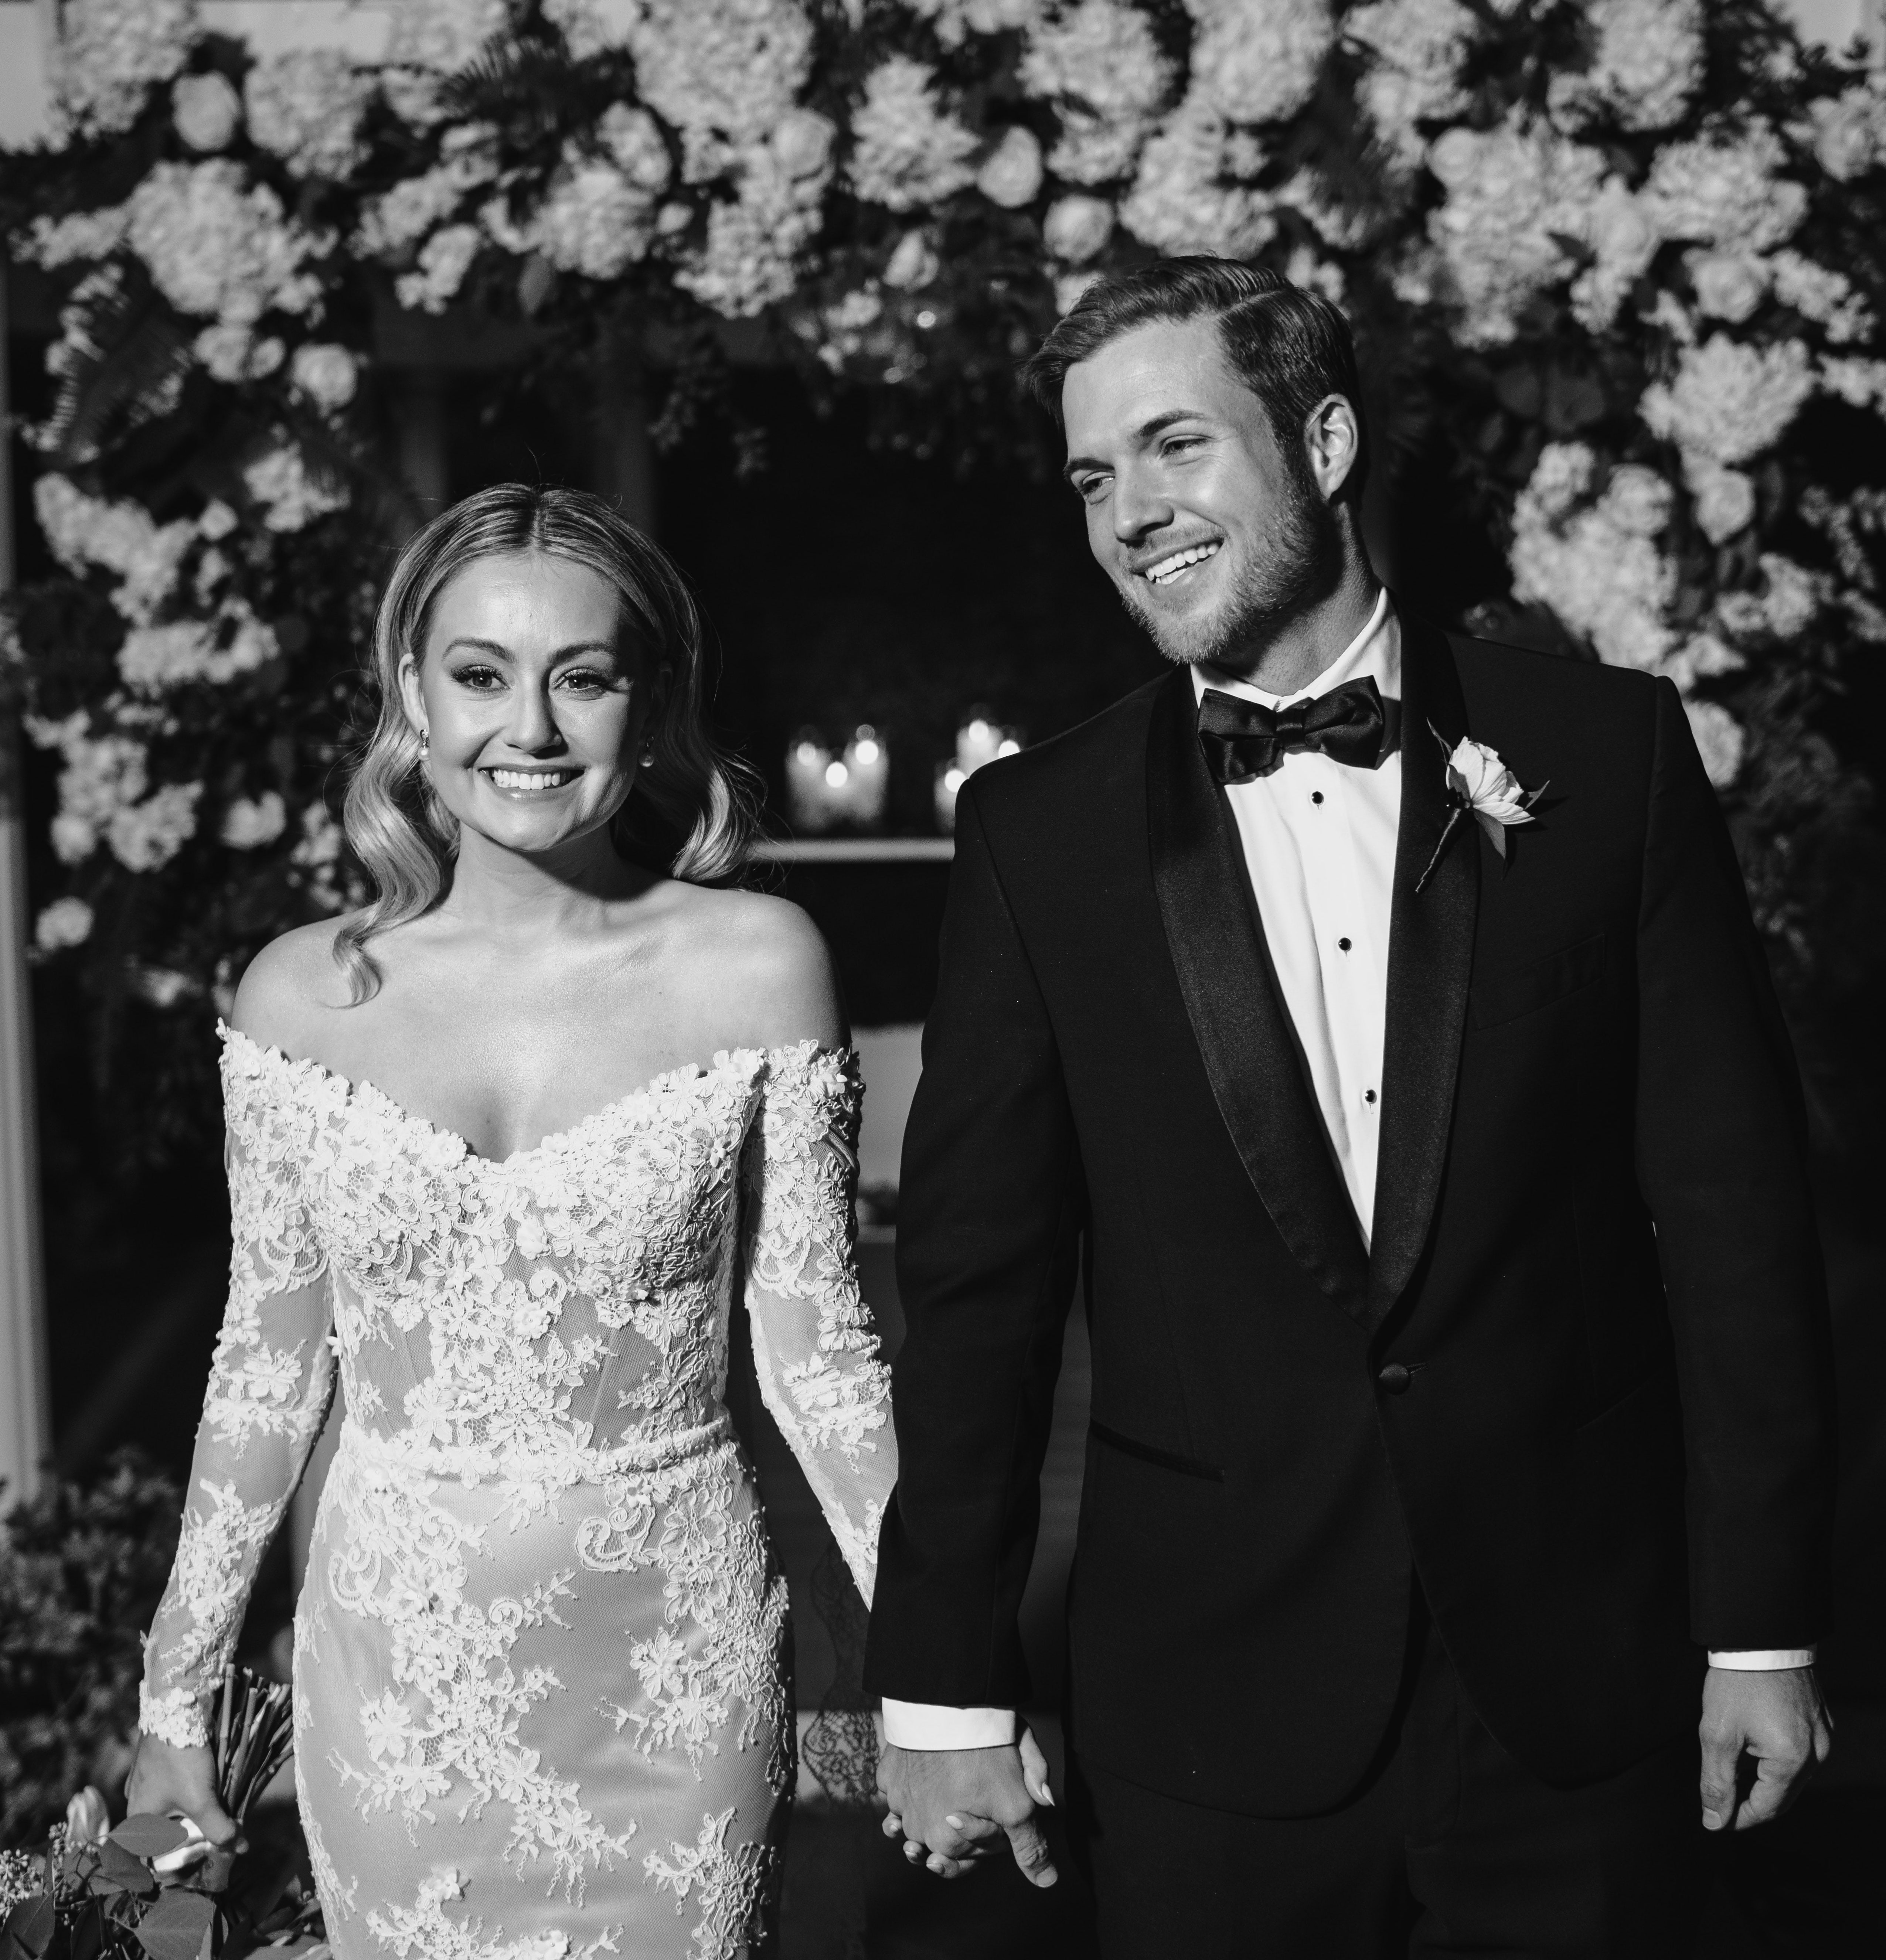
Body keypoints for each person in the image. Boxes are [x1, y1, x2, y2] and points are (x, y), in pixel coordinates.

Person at [865, 259, 1837, 1955]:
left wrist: (1760, 1624)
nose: (1129, 514)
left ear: (1321, 439)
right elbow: (978, 1288)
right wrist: (945, 1686)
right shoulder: (1038, 833)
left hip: (1580, 1694)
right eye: (1094, 478)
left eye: (1173, 448)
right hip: (1206, 1722)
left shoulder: (1602, 755)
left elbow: (1734, 1213)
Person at [125, 485, 896, 1959]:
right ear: (410, 692)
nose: (528, 728)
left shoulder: (759, 965)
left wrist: (947, 1674)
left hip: (678, 1674)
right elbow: (265, 1374)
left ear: (650, 698)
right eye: (480, 673)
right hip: (399, 1684)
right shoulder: (298, 997)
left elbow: (822, 1359)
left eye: (582, 676)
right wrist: (175, 1710)